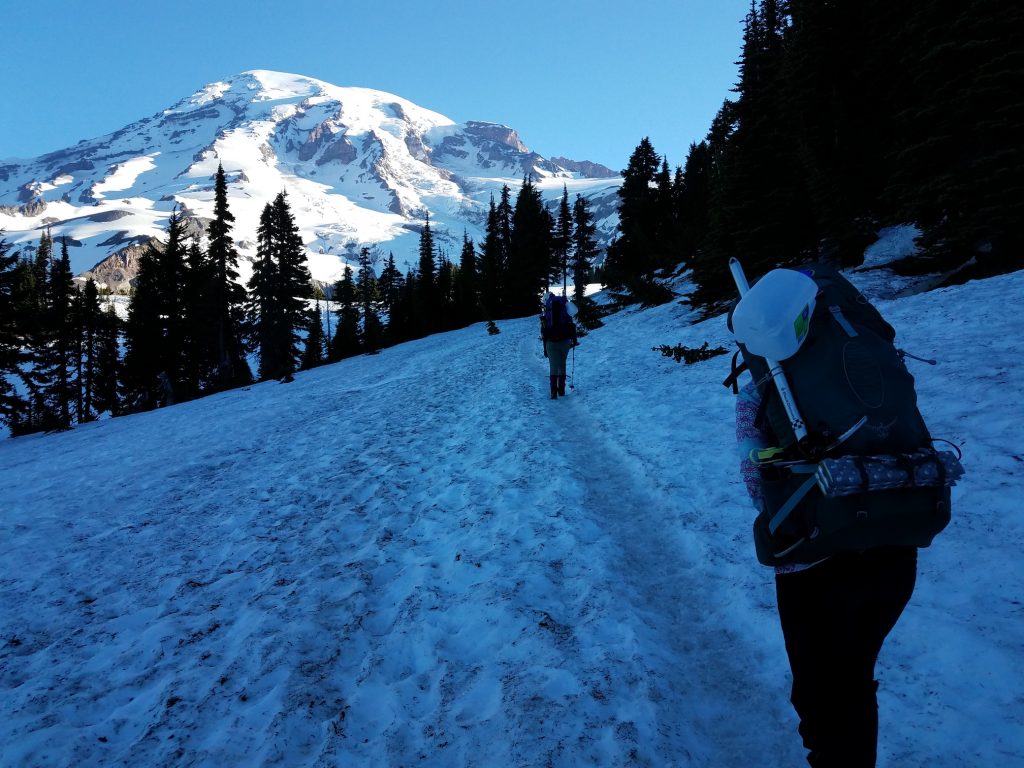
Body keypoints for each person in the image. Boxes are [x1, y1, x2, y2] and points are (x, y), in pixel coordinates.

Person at [736, 380, 917, 767]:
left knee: (819, 695)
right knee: (855, 678)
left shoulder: (764, 386)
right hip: (895, 542)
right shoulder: (867, 361)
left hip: (812, 559)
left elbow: (757, 482)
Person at [541, 292, 578, 399]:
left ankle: (553, 392)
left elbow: (544, 333)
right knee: (562, 364)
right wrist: (573, 340)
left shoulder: (547, 314)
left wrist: (545, 349)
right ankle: (561, 390)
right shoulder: (565, 307)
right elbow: (572, 325)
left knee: (553, 366)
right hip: (565, 342)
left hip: (550, 342)